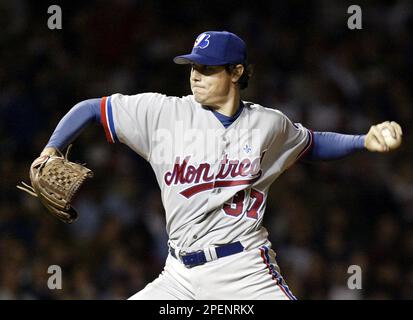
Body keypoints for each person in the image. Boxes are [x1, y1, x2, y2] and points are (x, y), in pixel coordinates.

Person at [38, 31, 402, 300]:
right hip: (177, 274)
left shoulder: (268, 124)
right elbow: (90, 108)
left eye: (207, 68)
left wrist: (362, 141)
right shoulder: (162, 113)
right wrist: (52, 149)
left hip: (243, 269)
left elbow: (311, 143)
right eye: (193, 66)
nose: (195, 74)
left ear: (235, 72)